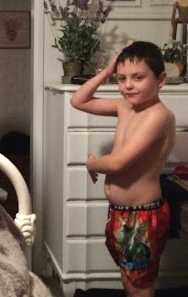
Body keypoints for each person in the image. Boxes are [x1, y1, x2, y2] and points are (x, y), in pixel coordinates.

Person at [70, 41, 175, 297]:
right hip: (122, 213)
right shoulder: (125, 107)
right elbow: (78, 100)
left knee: (140, 286)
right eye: (121, 78)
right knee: (129, 278)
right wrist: (108, 70)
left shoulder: (158, 116)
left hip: (142, 216)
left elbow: (118, 162)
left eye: (138, 78)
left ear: (160, 80)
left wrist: (93, 163)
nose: (128, 85)